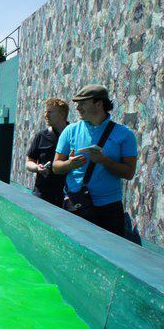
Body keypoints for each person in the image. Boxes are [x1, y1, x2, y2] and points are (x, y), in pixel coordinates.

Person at [52, 84, 137, 237]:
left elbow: (129, 173)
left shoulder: (125, 134)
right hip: (76, 205)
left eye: (82, 103)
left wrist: (104, 161)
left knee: (110, 256)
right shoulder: (71, 130)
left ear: (98, 104)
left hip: (109, 209)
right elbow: (56, 167)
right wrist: (69, 164)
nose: (77, 108)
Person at [25, 97, 70, 206]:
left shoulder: (74, 135)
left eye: (50, 112)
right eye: (45, 112)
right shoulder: (41, 136)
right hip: (42, 193)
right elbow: (28, 162)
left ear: (62, 114)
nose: (46, 115)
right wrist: (37, 168)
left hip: (67, 195)